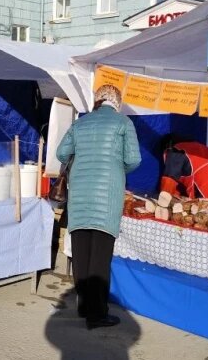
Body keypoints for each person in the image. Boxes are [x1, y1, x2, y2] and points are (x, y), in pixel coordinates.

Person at [56, 85, 141, 330]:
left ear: (97, 100)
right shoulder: (123, 122)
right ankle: (96, 315)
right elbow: (133, 159)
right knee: (100, 257)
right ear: (117, 102)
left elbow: (61, 153)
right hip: (107, 196)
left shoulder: (80, 123)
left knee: (81, 253)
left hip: (80, 195)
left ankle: (84, 307)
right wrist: (116, 168)